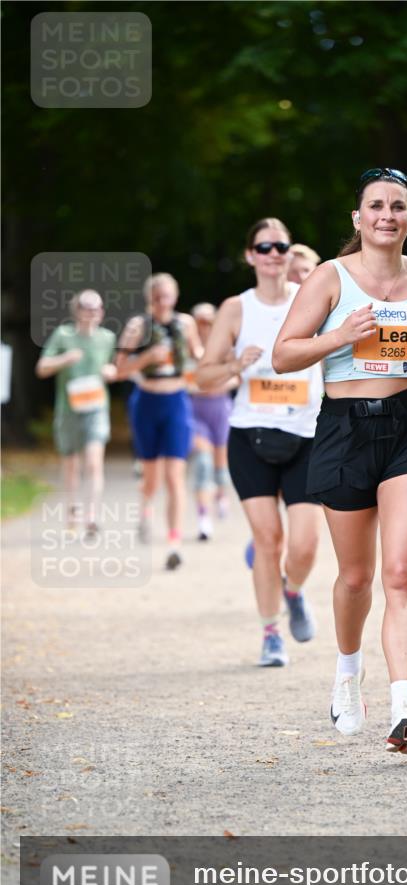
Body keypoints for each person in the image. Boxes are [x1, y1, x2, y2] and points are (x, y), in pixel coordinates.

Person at [273, 168, 407, 753]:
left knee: (402, 574)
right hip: (344, 429)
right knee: (356, 576)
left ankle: (405, 706)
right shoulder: (328, 279)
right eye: (376, 206)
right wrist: (341, 335)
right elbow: (284, 355)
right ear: (358, 219)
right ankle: (346, 672)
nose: (387, 215)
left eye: (398, 207)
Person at [197, 218, 323, 667]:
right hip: (249, 436)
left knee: (305, 545)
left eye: (280, 246)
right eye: (264, 246)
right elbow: (203, 375)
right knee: (268, 540)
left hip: (306, 436)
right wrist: (234, 363)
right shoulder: (236, 308)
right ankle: (271, 633)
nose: (273, 253)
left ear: (289, 254)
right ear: (250, 255)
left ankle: (293, 591)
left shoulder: (312, 300)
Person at [115, 273, 202, 570]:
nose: (162, 302)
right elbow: (120, 369)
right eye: (156, 296)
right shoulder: (137, 326)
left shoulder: (186, 324)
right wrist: (145, 357)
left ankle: (174, 542)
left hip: (176, 402)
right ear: (149, 298)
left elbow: (197, 355)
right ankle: (145, 510)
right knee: (151, 478)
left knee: (175, 476)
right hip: (146, 402)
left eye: (166, 296)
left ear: (175, 297)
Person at [36, 289, 116, 536]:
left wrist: (111, 372)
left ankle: (92, 517)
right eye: (87, 308)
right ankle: (73, 514)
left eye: (96, 308)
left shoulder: (108, 338)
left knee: (94, 462)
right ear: (77, 310)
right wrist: (65, 359)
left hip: (96, 407)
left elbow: (115, 368)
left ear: (101, 312)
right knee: (71, 465)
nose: (92, 313)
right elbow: (42, 368)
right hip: (68, 409)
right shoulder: (63, 335)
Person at [189, 302, 238, 539]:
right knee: (203, 464)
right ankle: (203, 518)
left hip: (221, 409)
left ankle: (222, 495)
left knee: (220, 467)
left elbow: (238, 377)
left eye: (209, 321)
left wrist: (216, 383)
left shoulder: (225, 348)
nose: (204, 326)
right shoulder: (187, 349)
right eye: (200, 321)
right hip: (195, 411)